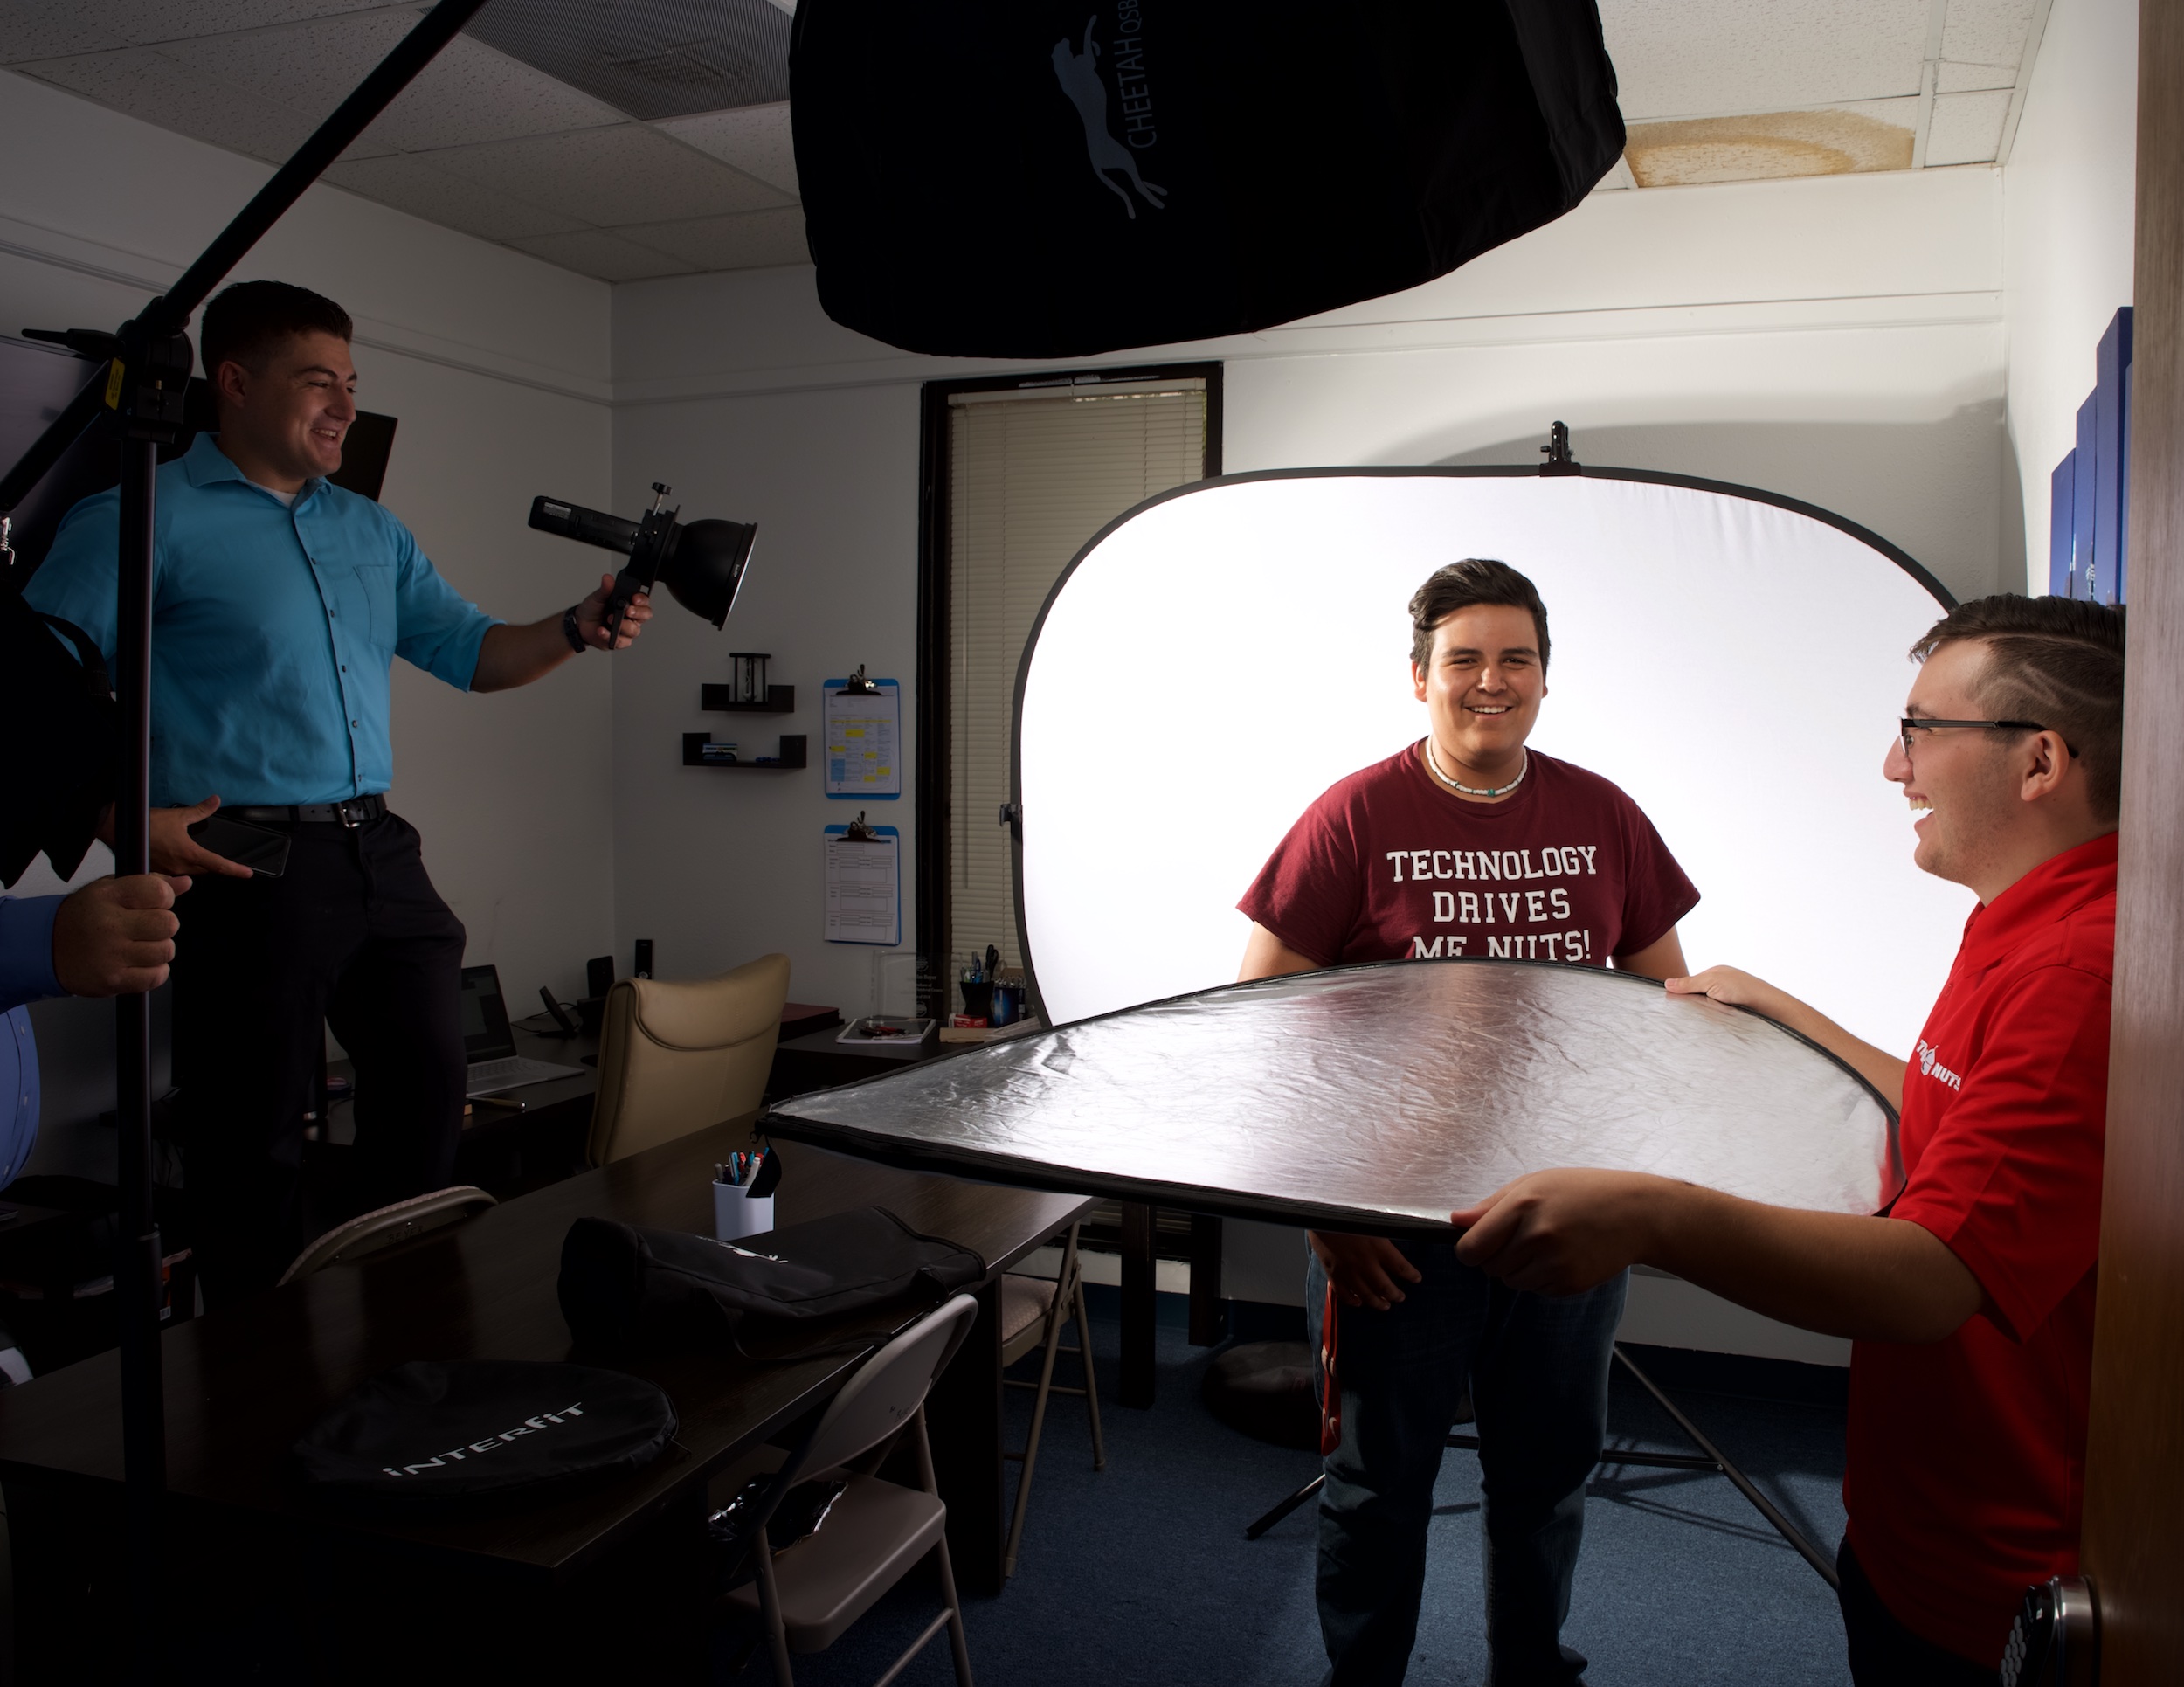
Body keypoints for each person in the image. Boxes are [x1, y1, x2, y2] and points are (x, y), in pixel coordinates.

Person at [1452, 593, 2124, 1684]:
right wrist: (1787, 1010)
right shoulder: (2028, 917)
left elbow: (1932, 1279)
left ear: (2039, 760)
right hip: (1918, 1503)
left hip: (1996, 1564)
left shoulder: (2077, 972)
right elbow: (1961, 1113)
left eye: (1919, 730)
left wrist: (1648, 1212)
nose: (1893, 766)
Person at [24, 280, 653, 1301]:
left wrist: (578, 626)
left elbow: (473, 652)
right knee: (249, 1148)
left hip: (379, 851)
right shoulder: (141, 518)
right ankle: (250, 1408)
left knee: (423, 1110)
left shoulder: (370, 528)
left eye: (352, 386)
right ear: (233, 383)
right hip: (240, 856)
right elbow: (29, 687)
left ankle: (406, 1368)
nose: (346, 409)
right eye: (320, 383)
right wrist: (110, 812)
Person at [1237, 557, 1700, 1686]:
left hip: (1563, 1221)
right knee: (1377, 1485)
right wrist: (1321, 1207)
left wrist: (1635, 1187)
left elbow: (1667, 1013)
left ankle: (1531, 1666)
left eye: (1516, 657)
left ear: (1545, 677)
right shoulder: (1354, 815)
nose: (1491, 679)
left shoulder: (1604, 815)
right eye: (1465, 659)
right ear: (1419, 677)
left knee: (1547, 1478)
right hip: (1395, 1227)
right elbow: (1258, 1028)